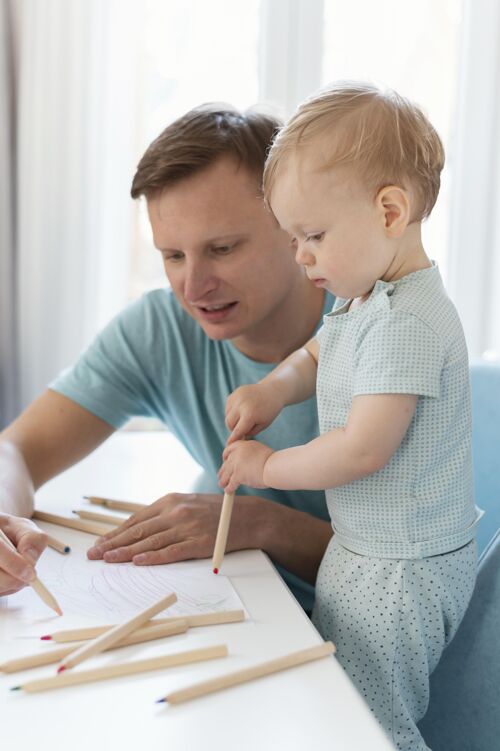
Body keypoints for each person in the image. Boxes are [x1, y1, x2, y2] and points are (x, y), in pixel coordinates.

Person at [218, 82, 482, 750]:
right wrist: (275, 389)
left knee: (372, 721)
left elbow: (364, 448)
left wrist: (269, 463)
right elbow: (316, 352)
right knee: (344, 698)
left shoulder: (405, 321)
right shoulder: (367, 297)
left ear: (391, 210)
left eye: (312, 235)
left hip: (400, 568)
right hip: (368, 547)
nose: (300, 254)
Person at [0, 104, 334, 611]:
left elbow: (416, 573)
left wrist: (260, 521)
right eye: (172, 256)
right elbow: (16, 451)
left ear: (297, 229)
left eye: (222, 248)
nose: (194, 287)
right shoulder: (160, 328)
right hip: (246, 609)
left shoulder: (382, 338)